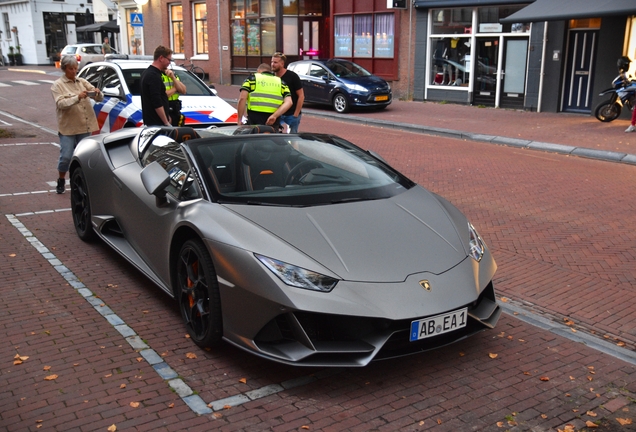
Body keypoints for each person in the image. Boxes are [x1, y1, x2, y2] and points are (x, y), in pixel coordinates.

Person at [50, 56, 103, 194]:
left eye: (75, 69)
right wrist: (77, 97)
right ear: (64, 69)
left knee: (84, 156)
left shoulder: (82, 81)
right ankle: (61, 178)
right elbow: (61, 104)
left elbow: (98, 97)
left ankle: (82, 180)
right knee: (66, 156)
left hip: (84, 125)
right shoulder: (57, 85)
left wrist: (97, 93)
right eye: (71, 69)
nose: (74, 71)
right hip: (68, 127)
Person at [236, 63, 292, 130]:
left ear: (259, 71)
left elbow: (242, 98)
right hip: (272, 122)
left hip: (254, 120)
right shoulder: (281, 83)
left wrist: (239, 119)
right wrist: (274, 116)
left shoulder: (252, 79)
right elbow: (289, 102)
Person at [271, 52, 304, 133]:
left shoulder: (292, 76)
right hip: (277, 113)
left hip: (291, 114)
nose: (272, 64)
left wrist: (296, 114)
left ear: (282, 64)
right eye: (271, 62)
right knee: (273, 135)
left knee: (293, 137)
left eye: (275, 62)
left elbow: (301, 96)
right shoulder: (271, 77)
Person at [140, 46, 173, 127]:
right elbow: (156, 102)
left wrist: (166, 115)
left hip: (153, 122)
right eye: (169, 59)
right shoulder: (153, 76)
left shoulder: (147, 73)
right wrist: (166, 122)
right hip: (156, 124)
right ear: (161, 58)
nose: (169, 63)